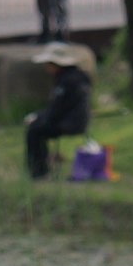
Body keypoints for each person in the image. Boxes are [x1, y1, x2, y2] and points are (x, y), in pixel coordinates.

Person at [23, 45, 91, 180]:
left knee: (34, 131)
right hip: (78, 120)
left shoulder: (66, 81)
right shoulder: (79, 76)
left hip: (69, 123)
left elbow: (57, 109)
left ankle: (39, 172)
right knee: (38, 127)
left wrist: (38, 118)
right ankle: (42, 168)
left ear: (56, 64)